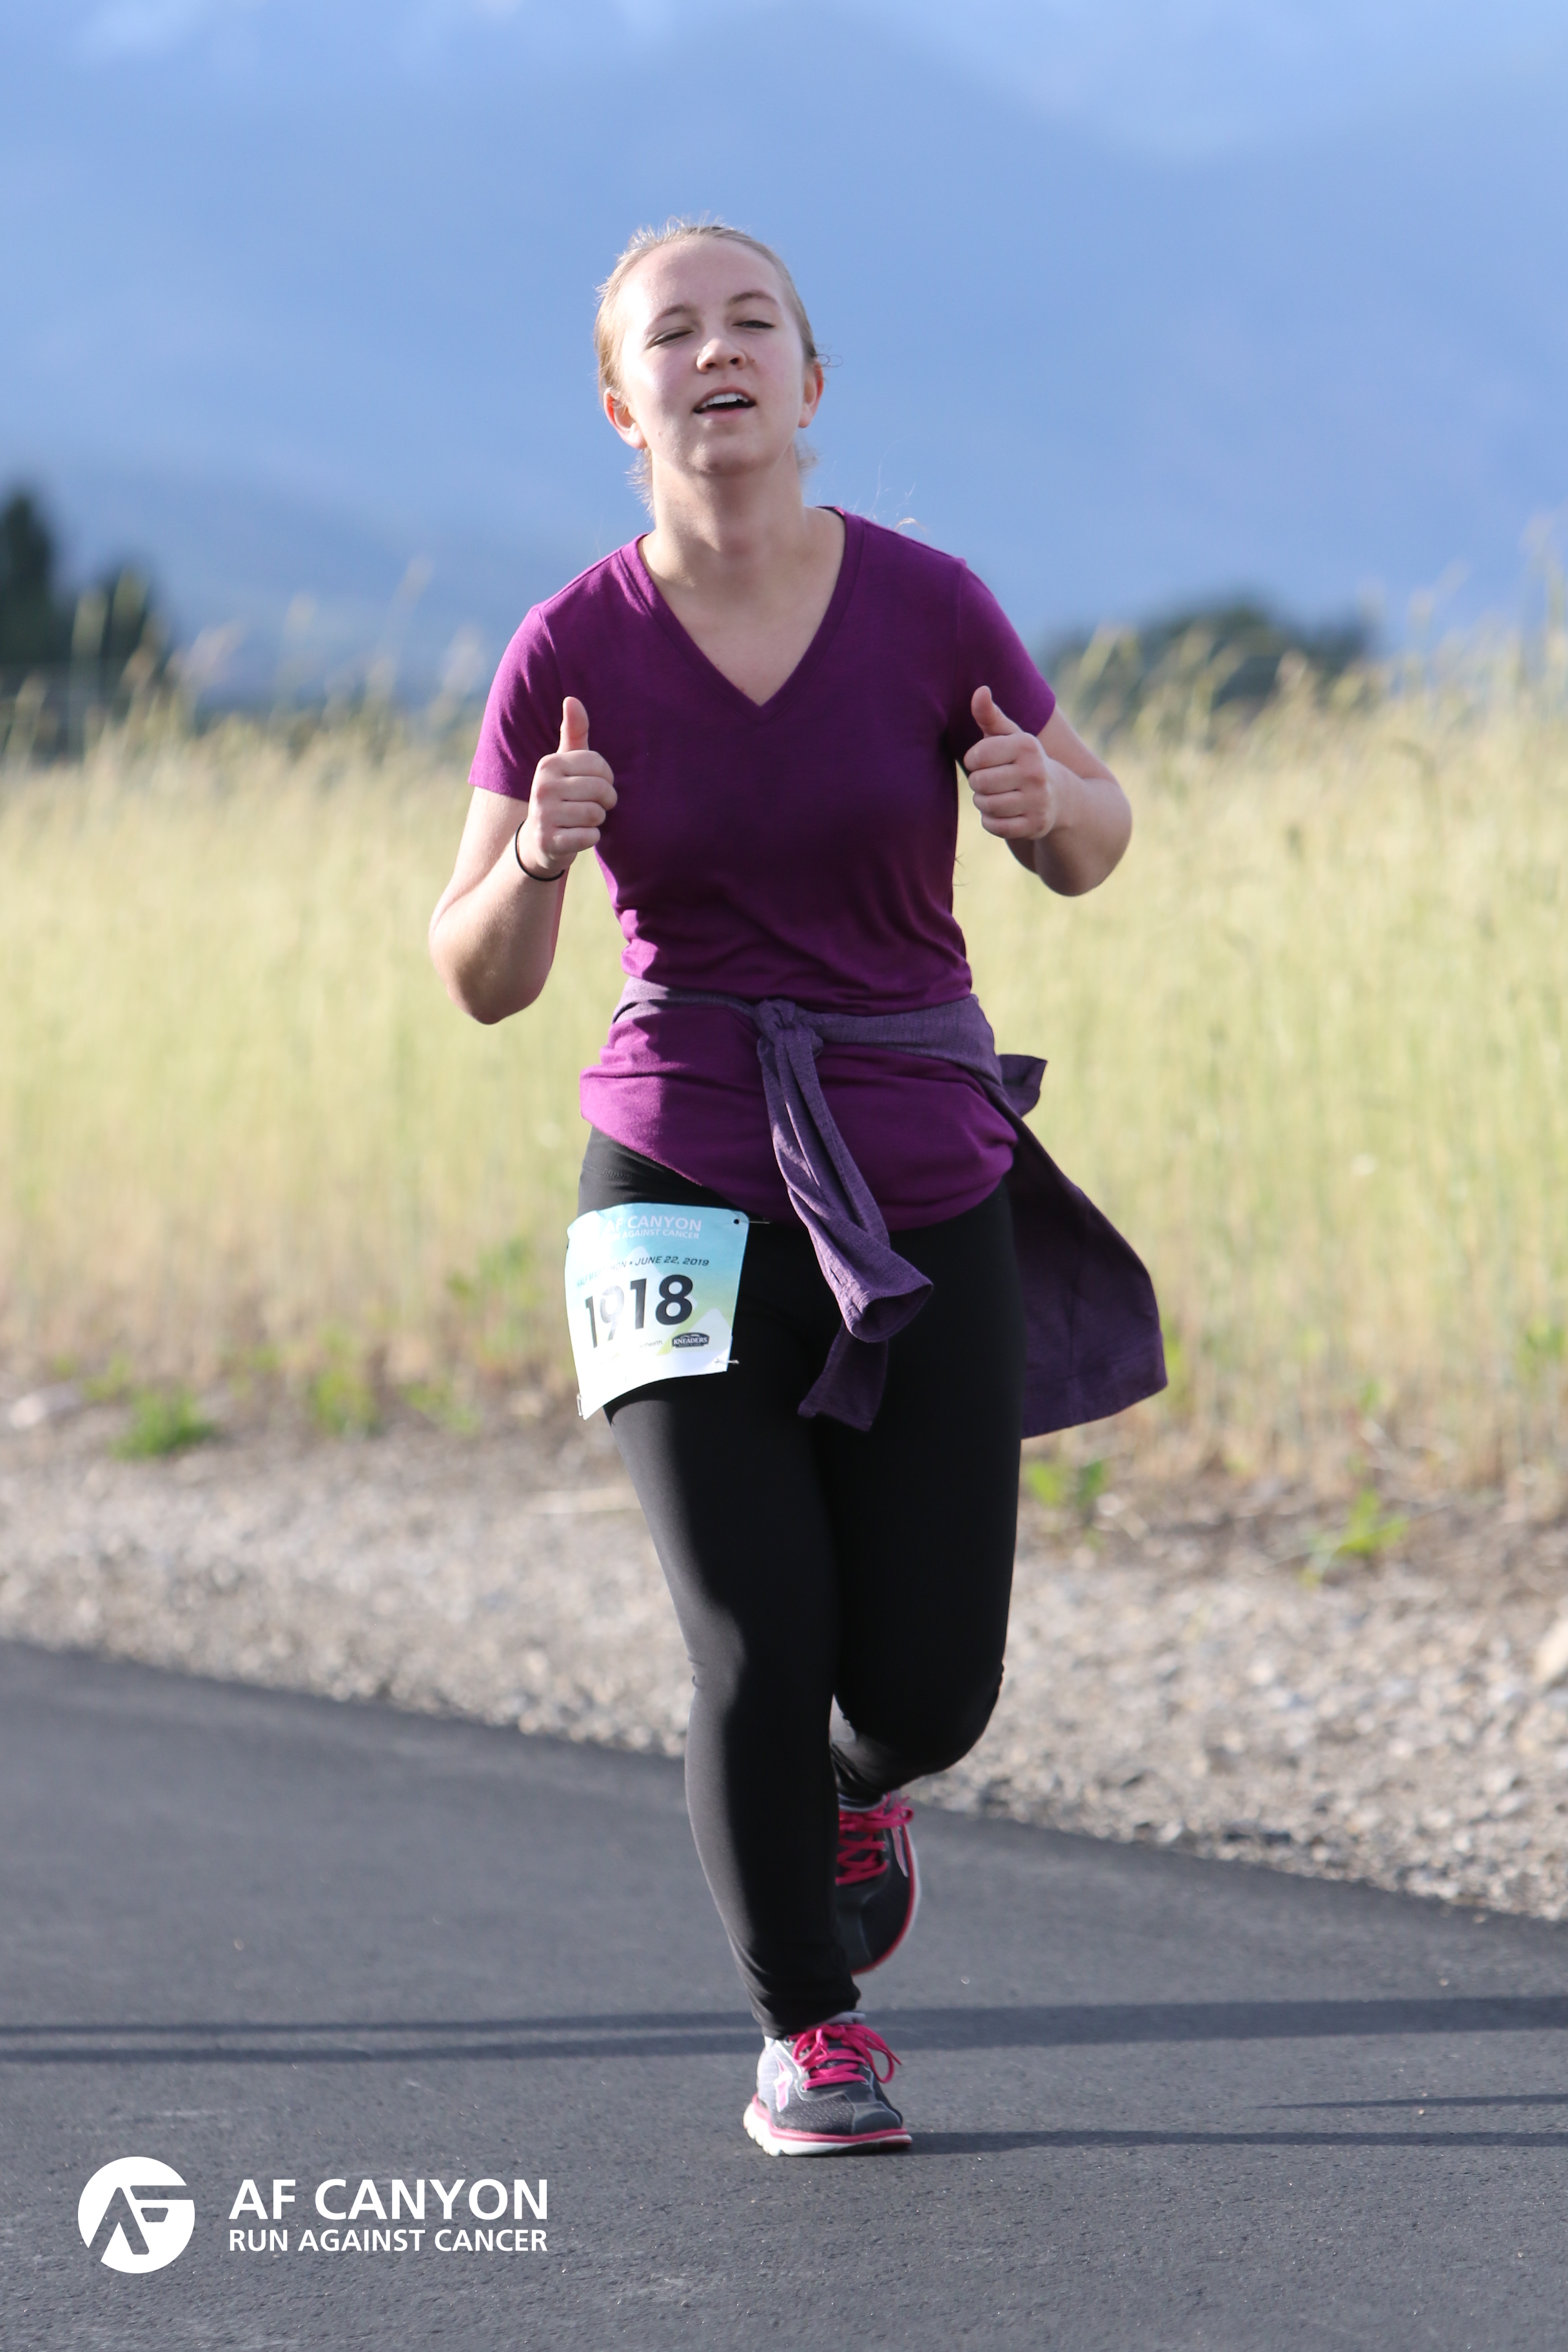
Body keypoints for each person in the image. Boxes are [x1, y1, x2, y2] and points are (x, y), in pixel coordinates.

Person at [429, 219, 1162, 2157]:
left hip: (918, 1175)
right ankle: (807, 2032)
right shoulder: (569, 648)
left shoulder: (930, 609)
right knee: (756, 1634)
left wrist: (1047, 811)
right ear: (622, 403)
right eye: (672, 333)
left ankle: (853, 1789)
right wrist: (537, 865)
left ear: (811, 381)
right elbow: (476, 972)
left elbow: (1097, 830)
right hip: (669, 1177)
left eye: (752, 320)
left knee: (927, 1686)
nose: (717, 351)